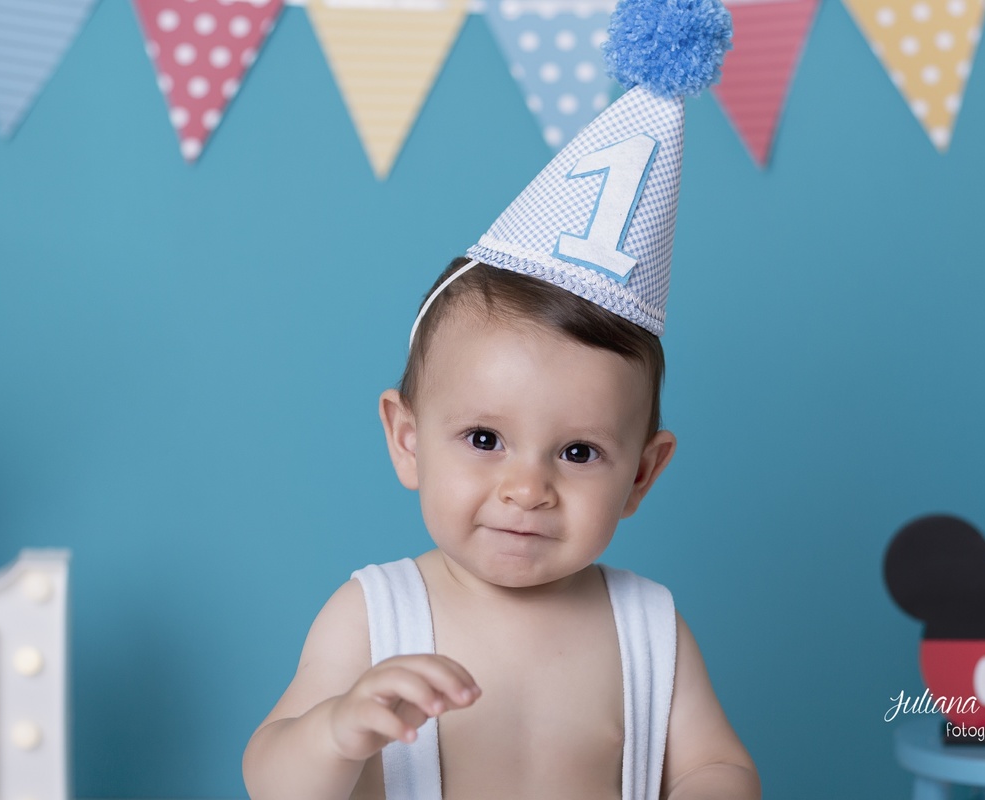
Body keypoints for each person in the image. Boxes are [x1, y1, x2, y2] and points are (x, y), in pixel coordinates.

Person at [243, 0, 759, 796]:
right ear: (407, 439)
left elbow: (716, 765)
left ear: (641, 475)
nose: (527, 488)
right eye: (485, 439)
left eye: (579, 452)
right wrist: (335, 730)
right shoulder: (375, 615)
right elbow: (271, 779)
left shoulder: (648, 626)